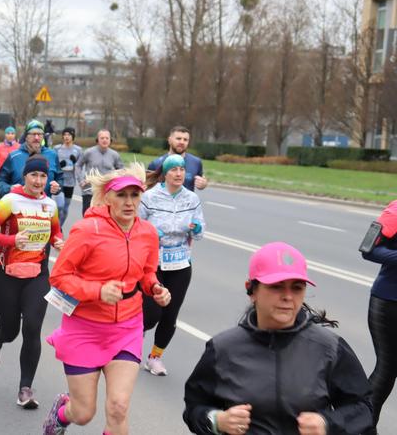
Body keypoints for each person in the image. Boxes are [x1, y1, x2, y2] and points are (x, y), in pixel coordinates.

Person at [183, 242, 373, 435]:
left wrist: (327, 424)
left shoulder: (329, 347)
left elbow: (363, 409)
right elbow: (194, 408)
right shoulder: (223, 348)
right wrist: (218, 421)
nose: (288, 296)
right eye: (276, 287)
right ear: (252, 290)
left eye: (297, 288)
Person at [42, 163, 171, 435]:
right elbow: (59, 277)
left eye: (134, 196)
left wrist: (156, 287)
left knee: (118, 407)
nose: (128, 202)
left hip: (126, 327)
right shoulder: (88, 230)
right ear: (107, 197)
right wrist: (97, 291)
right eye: (121, 195)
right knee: (84, 412)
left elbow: (147, 273)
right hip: (84, 328)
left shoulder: (147, 233)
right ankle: (62, 413)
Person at [0, 155, 63, 409]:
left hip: (37, 276)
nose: (38, 181)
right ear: (24, 176)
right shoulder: (10, 201)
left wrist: (58, 241)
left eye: (43, 176)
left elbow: (56, 232)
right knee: (11, 330)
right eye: (33, 175)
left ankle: (25, 389)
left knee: (33, 328)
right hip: (6, 275)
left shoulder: (50, 205)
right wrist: (12, 241)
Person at [138, 154, 204, 376]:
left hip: (180, 262)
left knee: (170, 314)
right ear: (165, 173)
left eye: (182, 169)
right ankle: (135, 338)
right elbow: (136, 225)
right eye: (174, 169)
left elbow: (202, 228)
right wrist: (150, 231)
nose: (179, 173)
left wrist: (196, 229)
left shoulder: (191, 199)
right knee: (151, 313)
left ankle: (155, 357)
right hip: (153, 262)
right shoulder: (149, 197)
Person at [361, 200, 397, 433]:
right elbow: (368, 248)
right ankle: (360, 426)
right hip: (389, 302)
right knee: (387, 368)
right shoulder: (395, 211)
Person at [0, 120, 63, 199]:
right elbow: (0, 181)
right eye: (33, 134)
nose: (37, 137)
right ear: (26, 136)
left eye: (40, 134)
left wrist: (57, 187)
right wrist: (9, 189)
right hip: (19, 207)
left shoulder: (52, 155)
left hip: (43, 207)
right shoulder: (14, 156)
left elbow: (60, 177)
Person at [75, 129, 124, 216]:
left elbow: (122, 171)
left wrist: (118, 184)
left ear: (110, 140)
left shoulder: (114, 155)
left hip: (107, 192)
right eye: (102, 138)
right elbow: (78, 165)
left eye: (107, 138)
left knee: (106, 218)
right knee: (88, 217)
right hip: (90, 191)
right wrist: (81, 180)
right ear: (97, 140)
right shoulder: (88, 152)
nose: (104, 140)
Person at [147, 126, 207, 192]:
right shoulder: (156, 164)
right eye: (178, 138)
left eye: (185, 140)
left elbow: (201, 180)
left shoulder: (196, 162)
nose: (182, 142)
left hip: (187, 202)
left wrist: (203, 184)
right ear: (169, 140)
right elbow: (147, 188)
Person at [54, 127, 82, 227]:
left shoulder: (78, 150)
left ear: (73, 136)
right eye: (65, 135)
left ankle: (59, 227)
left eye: (69, 135)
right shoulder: (57, 148)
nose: (66, 137)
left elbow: (80, 166)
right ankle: (55, 226)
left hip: (70, 182)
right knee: (59, 205)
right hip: (59, 180)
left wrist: (75, 162)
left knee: (65, 208)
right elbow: (53, 164)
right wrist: (60, 165)